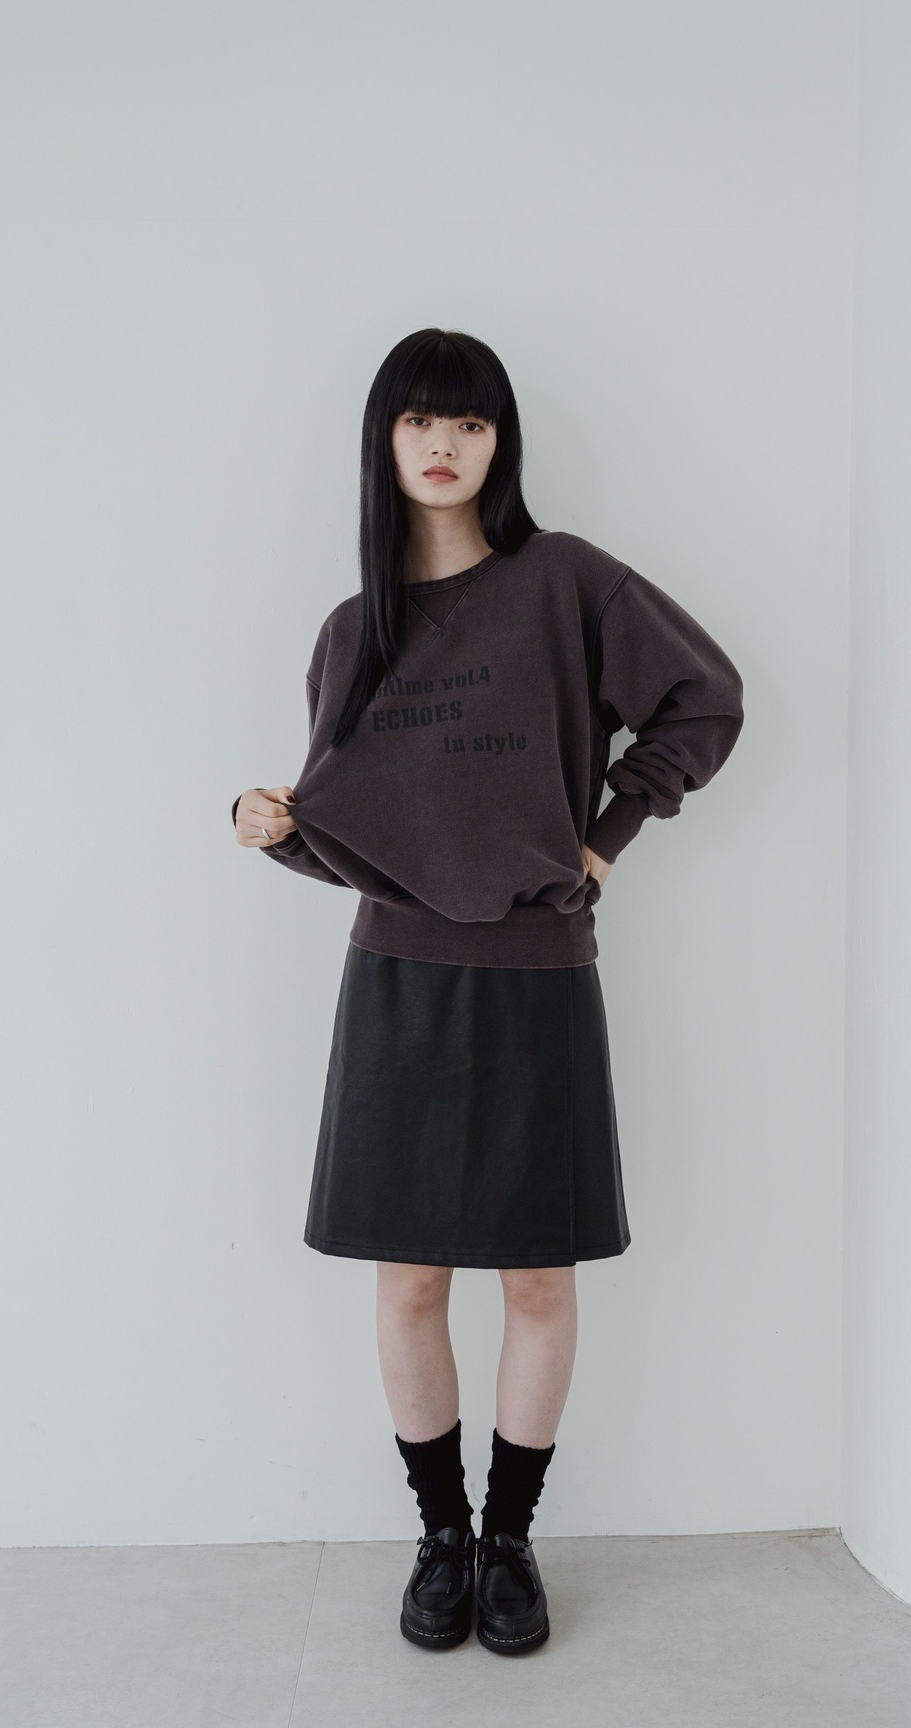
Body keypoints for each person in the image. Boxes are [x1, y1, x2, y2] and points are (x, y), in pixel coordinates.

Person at [232, 327, 744, 1655]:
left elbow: (705, 699)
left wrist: (605, 838)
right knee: (408, 1284)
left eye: (468, 421)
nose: (444, 444)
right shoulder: (352, 633)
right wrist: (272, 824)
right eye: (418, 421)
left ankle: (511, 1543)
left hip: (535, 975)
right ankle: (440, 1539)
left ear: (502, 441)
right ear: (385, 444)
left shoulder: (564, 582)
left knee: (535, 1281)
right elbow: (355, 835)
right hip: (398, 979)